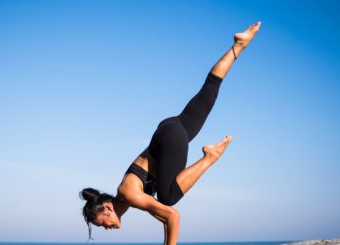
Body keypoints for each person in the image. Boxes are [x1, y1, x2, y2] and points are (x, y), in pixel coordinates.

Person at [79, 22, 261, 245]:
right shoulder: (130, 199)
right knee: (209, 90)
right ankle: (239, 45)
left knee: (168, 198)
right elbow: (164, 219)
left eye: (101, 223)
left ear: (107, 208)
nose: (106, 228)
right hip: (170, 130)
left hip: (169, 140)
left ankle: (210, 157)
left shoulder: (128, 194)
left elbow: (172, 215)